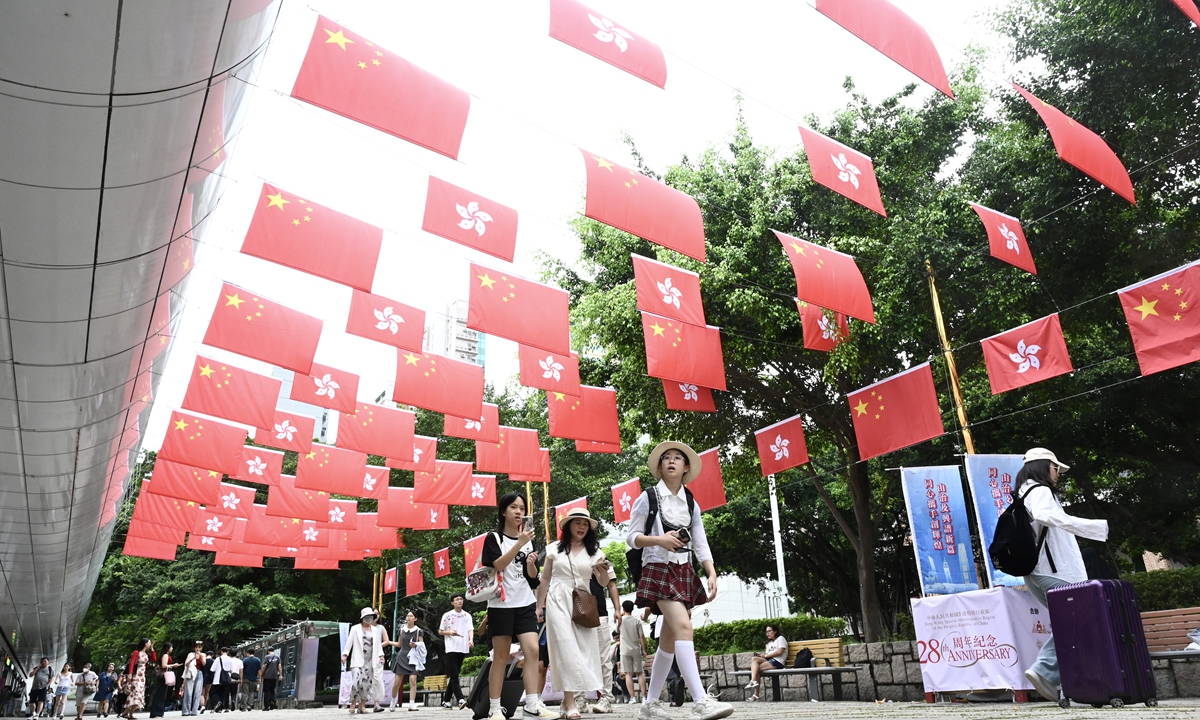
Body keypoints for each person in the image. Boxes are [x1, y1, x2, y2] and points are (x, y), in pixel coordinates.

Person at [627, 442, 732, 720]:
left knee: (669, 641)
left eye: (677, 458)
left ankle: (649, 705)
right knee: (684, 627)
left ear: (686, 468)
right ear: (660, 467)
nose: (672, 461)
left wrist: (710, 571)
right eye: (666, 458)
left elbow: (700, 541)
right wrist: (659, 539)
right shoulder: (647, 498)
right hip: (657, 568)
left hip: (684, 570)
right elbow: (631, 537)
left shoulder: (691, 502)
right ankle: (700, 701)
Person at [1017, 448, 1109, 703]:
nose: (1058, 474)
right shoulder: (1039, 491)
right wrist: (1092, 526)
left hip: (1039, 573)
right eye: (1056, 468)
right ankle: (1045, 670)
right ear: (1044, 466)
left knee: (1075, 625)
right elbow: (1046, 516)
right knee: (1076, 619)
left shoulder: (1023, 493)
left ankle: (1075, 687)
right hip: (1052, 571)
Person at [537, 507, 619, 720]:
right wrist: (539, 606)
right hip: (557, 599)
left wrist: (601, 573)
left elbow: (602, 582)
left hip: (582, 601)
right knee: (565, 648)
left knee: (581, 650)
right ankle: (571, 702)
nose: (582, 526)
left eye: (585, 523)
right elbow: (545, 579)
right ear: (568, 525)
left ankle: (566, 702)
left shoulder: (595, 552)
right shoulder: (554, 548)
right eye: (577, 522)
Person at [481, 492, 557, 720]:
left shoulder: (528, 540)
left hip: (525, 603)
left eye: (522, 509)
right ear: (503, 511)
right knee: (501, 657)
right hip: (501, 605)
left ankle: (532, 704)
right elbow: (498, 564)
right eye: (513, 507)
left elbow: (531, 578)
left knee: (533, 651)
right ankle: (495, 707)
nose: (518, 512)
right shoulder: (494, 538)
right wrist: (520, 544)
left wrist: (532, 564)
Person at [343, 608, 386, 714]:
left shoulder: (375, 630)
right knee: (356, 682)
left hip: (371, 661)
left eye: (370, 617)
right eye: (366, 617)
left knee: (367, 684)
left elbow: (378, 645)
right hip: (357, 660)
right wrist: (345, 654)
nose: (368, 619)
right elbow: (349, 643)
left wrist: (381, 655)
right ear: (362, 618)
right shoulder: (355, 629)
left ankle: (362, 706)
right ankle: (353, 704)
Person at [437, 595, 473, 710]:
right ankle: (460, 699)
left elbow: (470, 629)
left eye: (461, 599)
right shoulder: (447, 615)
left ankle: (446, 701)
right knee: (454, 675)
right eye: (457, 599)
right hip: (451, 647)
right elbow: (440, 631)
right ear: (452, 602)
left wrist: (471, 640)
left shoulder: (467, 615)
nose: (459, 601)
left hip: (463, 647)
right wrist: (450, 633)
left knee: (454, 675)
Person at [388, 611, 424, 712]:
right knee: (397, 683)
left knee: (413, 680)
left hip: (413, 657)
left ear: (415, 619)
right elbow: (399, 644)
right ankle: (393, 701)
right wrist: (388, 642)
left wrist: (416, 644)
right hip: (402, 656)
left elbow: (422, 644)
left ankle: (412, 704)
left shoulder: (418, 631)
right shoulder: (401, 630)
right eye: (407, 616)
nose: (409, 617)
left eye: (411, 616)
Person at [743, 625, 786, 701]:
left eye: (769, 631)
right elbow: (767, 656)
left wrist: (766, 655)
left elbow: (780, 652)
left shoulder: (781, 639)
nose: (768, 633)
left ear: (775, 631)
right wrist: (762, 656)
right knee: (754, 659)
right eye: (766, 632)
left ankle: (755, 693)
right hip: (770, 660)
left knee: (757, 669)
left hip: (778, 662)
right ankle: (753, 682)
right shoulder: (769, 643)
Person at [619, 602, 647, 704]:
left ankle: (632, 698)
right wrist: (644, 650)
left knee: (628, 674)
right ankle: (644, 697)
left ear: (623, 609)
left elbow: (617, 631)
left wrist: (621, 616)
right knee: (640, 673)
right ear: (633, 609)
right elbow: (642, 636)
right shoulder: (637, 621)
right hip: (636, 650)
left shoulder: (620, 621)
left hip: (624, 651)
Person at [125, 639, 155, 719]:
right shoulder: (136, 652)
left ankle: (130, 714)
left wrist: (152, 649)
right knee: (135, 693)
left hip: (142, 676)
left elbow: (154, 659)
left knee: (140, 694)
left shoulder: (146, 654)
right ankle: (125, 712)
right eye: (149, 643)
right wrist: (130, 674)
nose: (150, 644)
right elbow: (132, 663)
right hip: (136, 675)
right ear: (145, 644)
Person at [149, 642, 179, 718]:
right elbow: (164, 665)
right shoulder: (165, 655)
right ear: (167, 648)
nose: (172, 649)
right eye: (171, 647)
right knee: (160, 694)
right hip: (163, 676)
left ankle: (157, 712)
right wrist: (173, 665)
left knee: (162, 694)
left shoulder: (166, 655)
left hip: (163, 676)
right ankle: (157, 712)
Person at [369, 612, 391, 712]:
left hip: (378, 654)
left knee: (377, 679)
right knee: (364, 679)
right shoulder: (364, 627)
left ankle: (376, 704)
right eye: (374, 614)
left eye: (377, 614)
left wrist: (377, 646)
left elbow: (386, 641)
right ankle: (360, 704)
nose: (376, 616)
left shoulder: (380, 627)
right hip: (366, 655)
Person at [181, 643, 206, 717]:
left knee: (197, 692)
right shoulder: (190, 654)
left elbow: (204, 663)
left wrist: (200, 657)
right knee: (188, 692)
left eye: (199, 647)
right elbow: (186, 664)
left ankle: (194, 710)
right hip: (191, 673)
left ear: (201, 648)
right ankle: (186, 711)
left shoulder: (203, 654)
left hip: (199, 673)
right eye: (196, 647)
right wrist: (193, 658)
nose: (197, 649)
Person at [209, 648, 237, 714]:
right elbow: (231, 670)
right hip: (226, 679)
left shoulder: (218, 659)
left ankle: (218, 702)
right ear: (227, 652)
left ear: (221, 652)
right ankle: (220, 708)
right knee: (223, 694)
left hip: (217, 679)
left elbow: (212, 669)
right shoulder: (230, 659)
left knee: (213, 693)